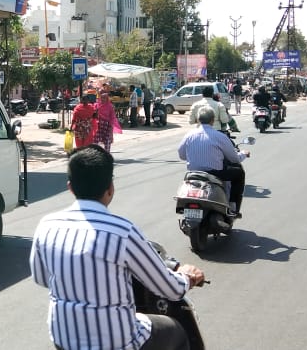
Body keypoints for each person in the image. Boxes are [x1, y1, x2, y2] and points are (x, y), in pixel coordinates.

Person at [30, 144, 206, 350]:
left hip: (63, 339)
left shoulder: (47, 225)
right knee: (176, 330)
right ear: (110, 188)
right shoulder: (122, 231)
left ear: (70, 187)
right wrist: (186, 275)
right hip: (118, 343)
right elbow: (171, 289)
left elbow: (42, 279)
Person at [178, 108, 250, 215]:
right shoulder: (219, 136)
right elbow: (234, 159)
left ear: (198, 119)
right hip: (214, 174)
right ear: (213, 120)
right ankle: (233, 207)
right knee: (239, 173)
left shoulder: (189, 136)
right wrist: (243, 154)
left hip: (193, 174)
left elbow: (182, 155)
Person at [93, 88, 122, 152]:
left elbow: (112, 118)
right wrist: (96, 112)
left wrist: (111, 131)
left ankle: (107, 156)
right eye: (102, 97)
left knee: (107, 141)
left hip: (107, 126)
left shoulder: (110, 106)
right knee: (95, 141)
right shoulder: (96, 105)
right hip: (98, 126)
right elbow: (93, 115)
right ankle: (94, 155)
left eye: (104, 98)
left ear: (107, 98)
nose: (103, 99)